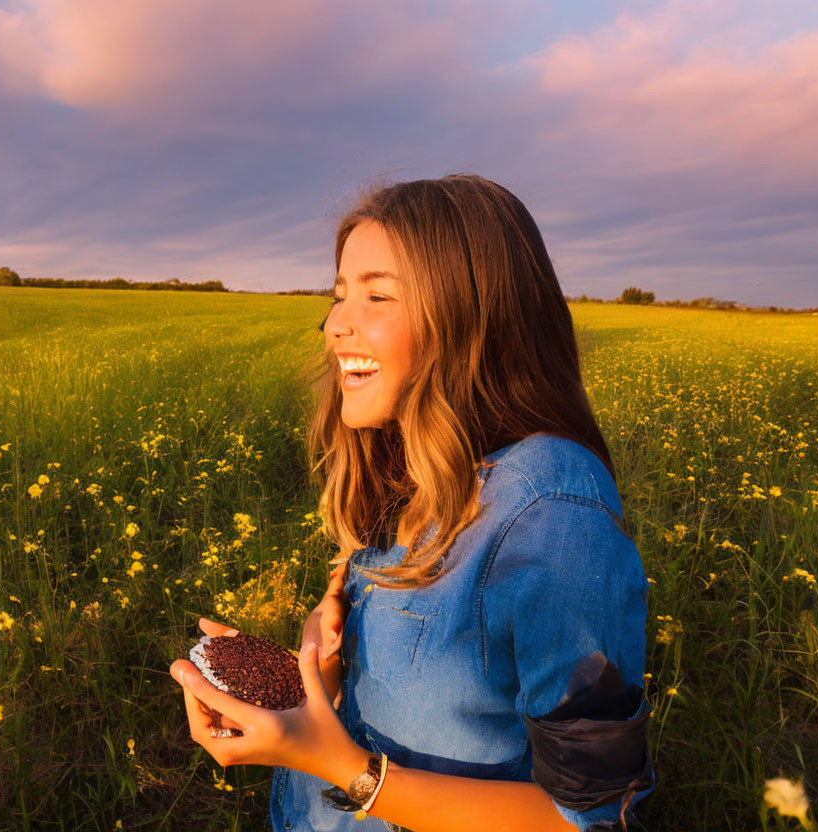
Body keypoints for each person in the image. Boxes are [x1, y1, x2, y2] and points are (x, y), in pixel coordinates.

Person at [169, 173, 655, 832]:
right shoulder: (406, 462)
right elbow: (413, 674)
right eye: (339, 296)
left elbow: (590, 817)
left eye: (376, 295)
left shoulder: (550, 511)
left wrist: (352, 774)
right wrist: (310, 674)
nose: (336, 324)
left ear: (472, 315)